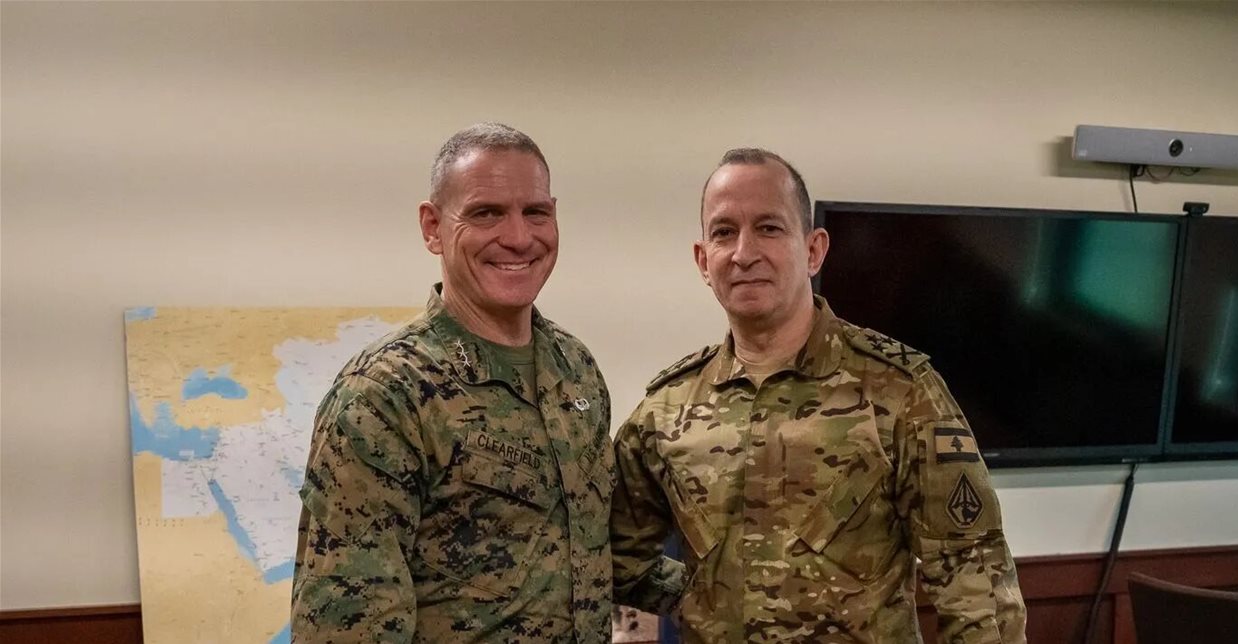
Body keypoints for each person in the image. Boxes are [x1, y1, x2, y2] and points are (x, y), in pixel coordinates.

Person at [611, 148, 1027, 643]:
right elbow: (618, 555)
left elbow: (974, 577)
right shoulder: (667, 409)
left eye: (769, 228)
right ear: (704, 260)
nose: (744, 253)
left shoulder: (899, 391)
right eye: (724, 232)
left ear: (813, 250)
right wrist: (703, 596)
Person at [291, 123, 614, 643]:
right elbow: (345, 622)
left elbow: (597, 548)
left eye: (536, 212)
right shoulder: (385, 394)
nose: (518, 237)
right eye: (486, 213)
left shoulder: (575, 369)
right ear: (433, 227)